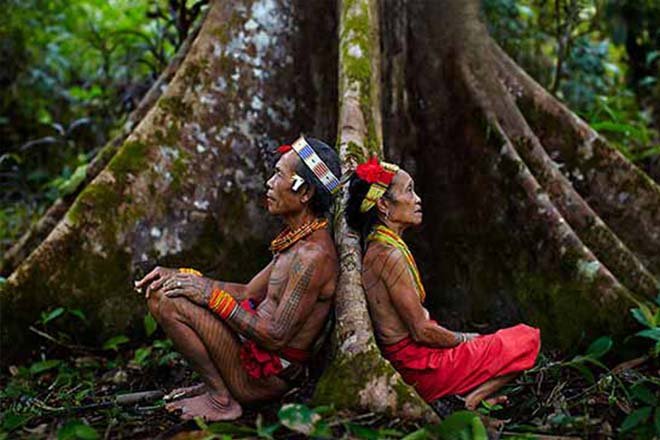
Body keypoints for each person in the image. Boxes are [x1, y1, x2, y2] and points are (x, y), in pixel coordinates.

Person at [135, 136, 340, 421]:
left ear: (304, 193)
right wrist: (184, 276)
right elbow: (246, 293)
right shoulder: (298, 242)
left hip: (262, 379)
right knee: (168, 287)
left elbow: (276, 336)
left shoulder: (312, 256)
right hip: (250, 357)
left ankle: (221, 399)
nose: (269, 182)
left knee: (165, 299)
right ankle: (217, 386)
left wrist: (209, 296)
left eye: (279, 174)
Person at [346, 157, 540, 411]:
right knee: (527, 338)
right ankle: (467, 403)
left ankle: (466, 397)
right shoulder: (387, 255)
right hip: (421, 368)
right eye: (409, 191)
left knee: (501, 341)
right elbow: (421, 331)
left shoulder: (381, 245)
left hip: (417, 358)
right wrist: (465, 339)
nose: (418, 199)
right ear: (383, 205)